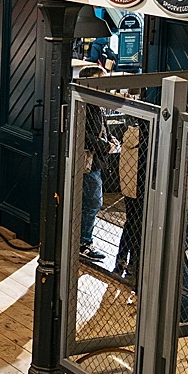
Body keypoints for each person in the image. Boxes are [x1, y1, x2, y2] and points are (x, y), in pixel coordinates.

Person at [78, 65, 111, 264]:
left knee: (90, 202)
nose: (106, 87)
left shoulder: (94, 104)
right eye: (102, 82)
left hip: (95, 162)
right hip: (88, 164)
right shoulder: (86, 105)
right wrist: (106, 145)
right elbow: (85, 135)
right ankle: (83, 243)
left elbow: (100, 130)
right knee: (92, 202)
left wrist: (109, 139)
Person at [114, 122, 144, 278]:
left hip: (129, 187)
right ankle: (132, 263)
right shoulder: (145, 139)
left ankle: (122, 261)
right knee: (136, 224)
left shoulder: (130, 134)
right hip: (139, 189)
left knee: (131, 222)